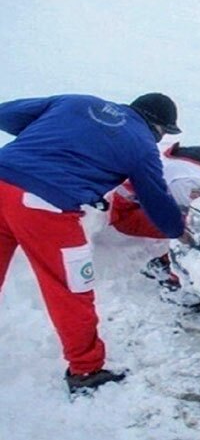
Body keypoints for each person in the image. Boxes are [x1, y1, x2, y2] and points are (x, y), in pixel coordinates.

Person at [0, 93, 185, 394]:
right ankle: (85, 370)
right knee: (71, 289)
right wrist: (178, 229)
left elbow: (5, 114)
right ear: (158, 126)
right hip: (45, 205)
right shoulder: (141, 145)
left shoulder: (76, 102)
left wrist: (55, 139)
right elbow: (155, 200)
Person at [108, 141, 200, 295]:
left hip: (141, 204)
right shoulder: (192, 177)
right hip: (128, 211)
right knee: (194, 229)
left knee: (192, 225)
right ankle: (172, 274)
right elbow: (188, 216)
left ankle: (166, 264)